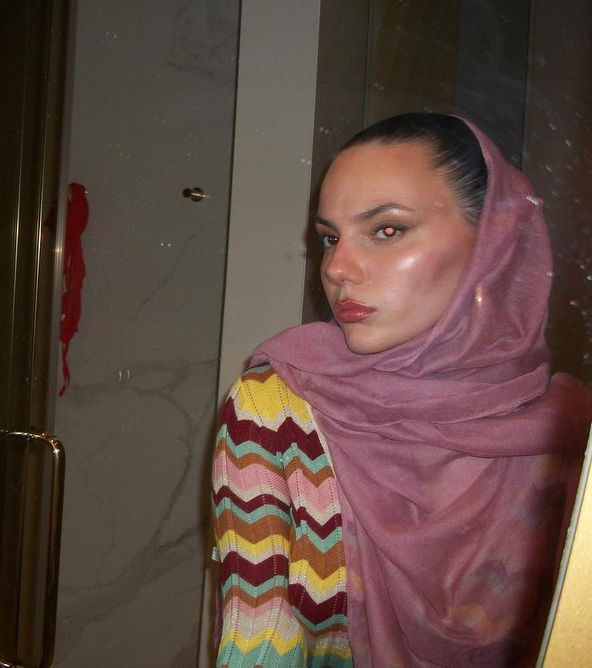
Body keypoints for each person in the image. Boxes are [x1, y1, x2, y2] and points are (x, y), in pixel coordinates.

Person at [211, 113, 592, 666]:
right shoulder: (276, 410)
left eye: (387, 230)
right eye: (329, 238)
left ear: (495, 245)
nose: (338, 268)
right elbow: (258, 641)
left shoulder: (571, 434)